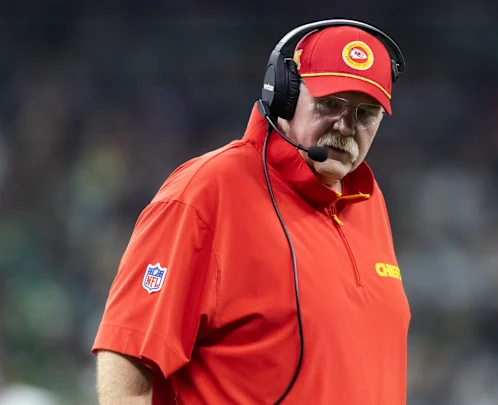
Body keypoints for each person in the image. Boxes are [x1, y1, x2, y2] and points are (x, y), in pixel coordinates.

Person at [92, 19, 410, 405]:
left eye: (365, 113)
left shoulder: (368, 202)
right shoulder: (206, 192)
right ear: (285, 95)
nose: (345, 126)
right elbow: (127, 357)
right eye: (330, 104)